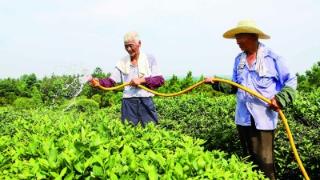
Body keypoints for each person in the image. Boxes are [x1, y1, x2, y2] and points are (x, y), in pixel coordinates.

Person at [205, 20, 297, 179]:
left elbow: (291, 81)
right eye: (236, 37)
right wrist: (216, 82)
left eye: (241, 37)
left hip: (263, 118)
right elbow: (234, 86)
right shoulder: (238, 60)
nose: (237, 41)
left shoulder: (273, 58)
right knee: (248, 158)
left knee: (265, 161)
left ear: (253, 36)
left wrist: (280, 99)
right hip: (243, 118)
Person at [90, 31, 164, 126]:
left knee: (151, 129)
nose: (128, 49)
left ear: (139, 44)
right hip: (128, 102)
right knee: (127, 131)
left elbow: (159, 80)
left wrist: (142, 80)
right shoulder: (122, 62)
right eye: (126, 46)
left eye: (131, 45)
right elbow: (111, 81)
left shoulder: (149, 58)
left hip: (145, 100)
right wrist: (99, 82)